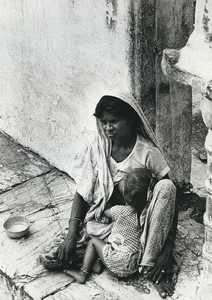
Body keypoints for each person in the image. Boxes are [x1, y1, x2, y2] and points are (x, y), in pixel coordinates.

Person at [40, 94, 178, 299]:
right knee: (53, 259)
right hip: (108, 220)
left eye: (114, 121)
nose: (107, 128)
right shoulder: (99, 146)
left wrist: (167, 247)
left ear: (130, 120)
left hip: (141, 223)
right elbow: (83, 191)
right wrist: (71, 235)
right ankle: (91, 252)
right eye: (103, 122)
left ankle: (151, 263)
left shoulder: (147, 152)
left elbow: (168, 201)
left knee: (166, 187)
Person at [64, 168, 151, 283]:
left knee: (93, 242)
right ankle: (97, 264)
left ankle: (82, 273)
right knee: (111, 241)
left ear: (125, 195)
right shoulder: (144, 214)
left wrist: (105, 200)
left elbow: (104, 212)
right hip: (134, 264)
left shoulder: (119, 210)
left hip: (120, 263)